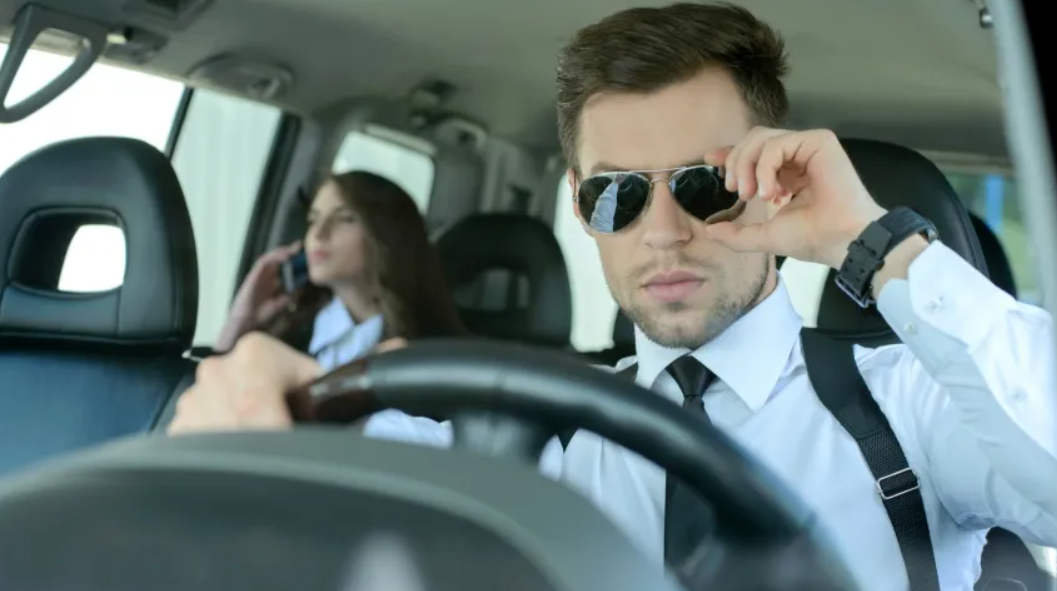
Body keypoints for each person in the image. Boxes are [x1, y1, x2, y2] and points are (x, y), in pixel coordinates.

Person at [168, 3, 1057, 591]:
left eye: (705, 183)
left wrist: (873, 243)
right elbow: (307, 496)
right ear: (578, 205)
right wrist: (258, 403)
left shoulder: (904, 402)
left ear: (770, 181)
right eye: (616, 195)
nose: (661, 231)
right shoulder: (525, 430)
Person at [213, 170, 467, 369]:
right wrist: (240, 319)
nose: (318, 233)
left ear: (387, 235)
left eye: (344, 219)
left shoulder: (437, 352)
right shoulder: (288, 335)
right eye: (313, 220)